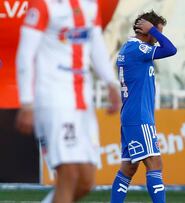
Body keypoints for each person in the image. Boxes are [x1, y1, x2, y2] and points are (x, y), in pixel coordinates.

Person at [15, 0, 121, 202]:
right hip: (53, 97)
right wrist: (27, 103)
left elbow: (96, 44)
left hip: (82, 100)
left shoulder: (90, 5)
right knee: (69, 173)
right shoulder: (43, 5)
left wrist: (111, 83)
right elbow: (25, 55)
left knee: (86, 181)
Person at [110, 11, 177, 203]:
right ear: (147, 30)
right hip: (139, 116)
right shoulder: (138, 48)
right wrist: (154, 31)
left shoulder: (129, 48)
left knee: (128, 168)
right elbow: (171, 49)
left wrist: (153, 31)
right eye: (156, 32)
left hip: (131, 115)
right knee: (155, 163)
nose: (157, 39)